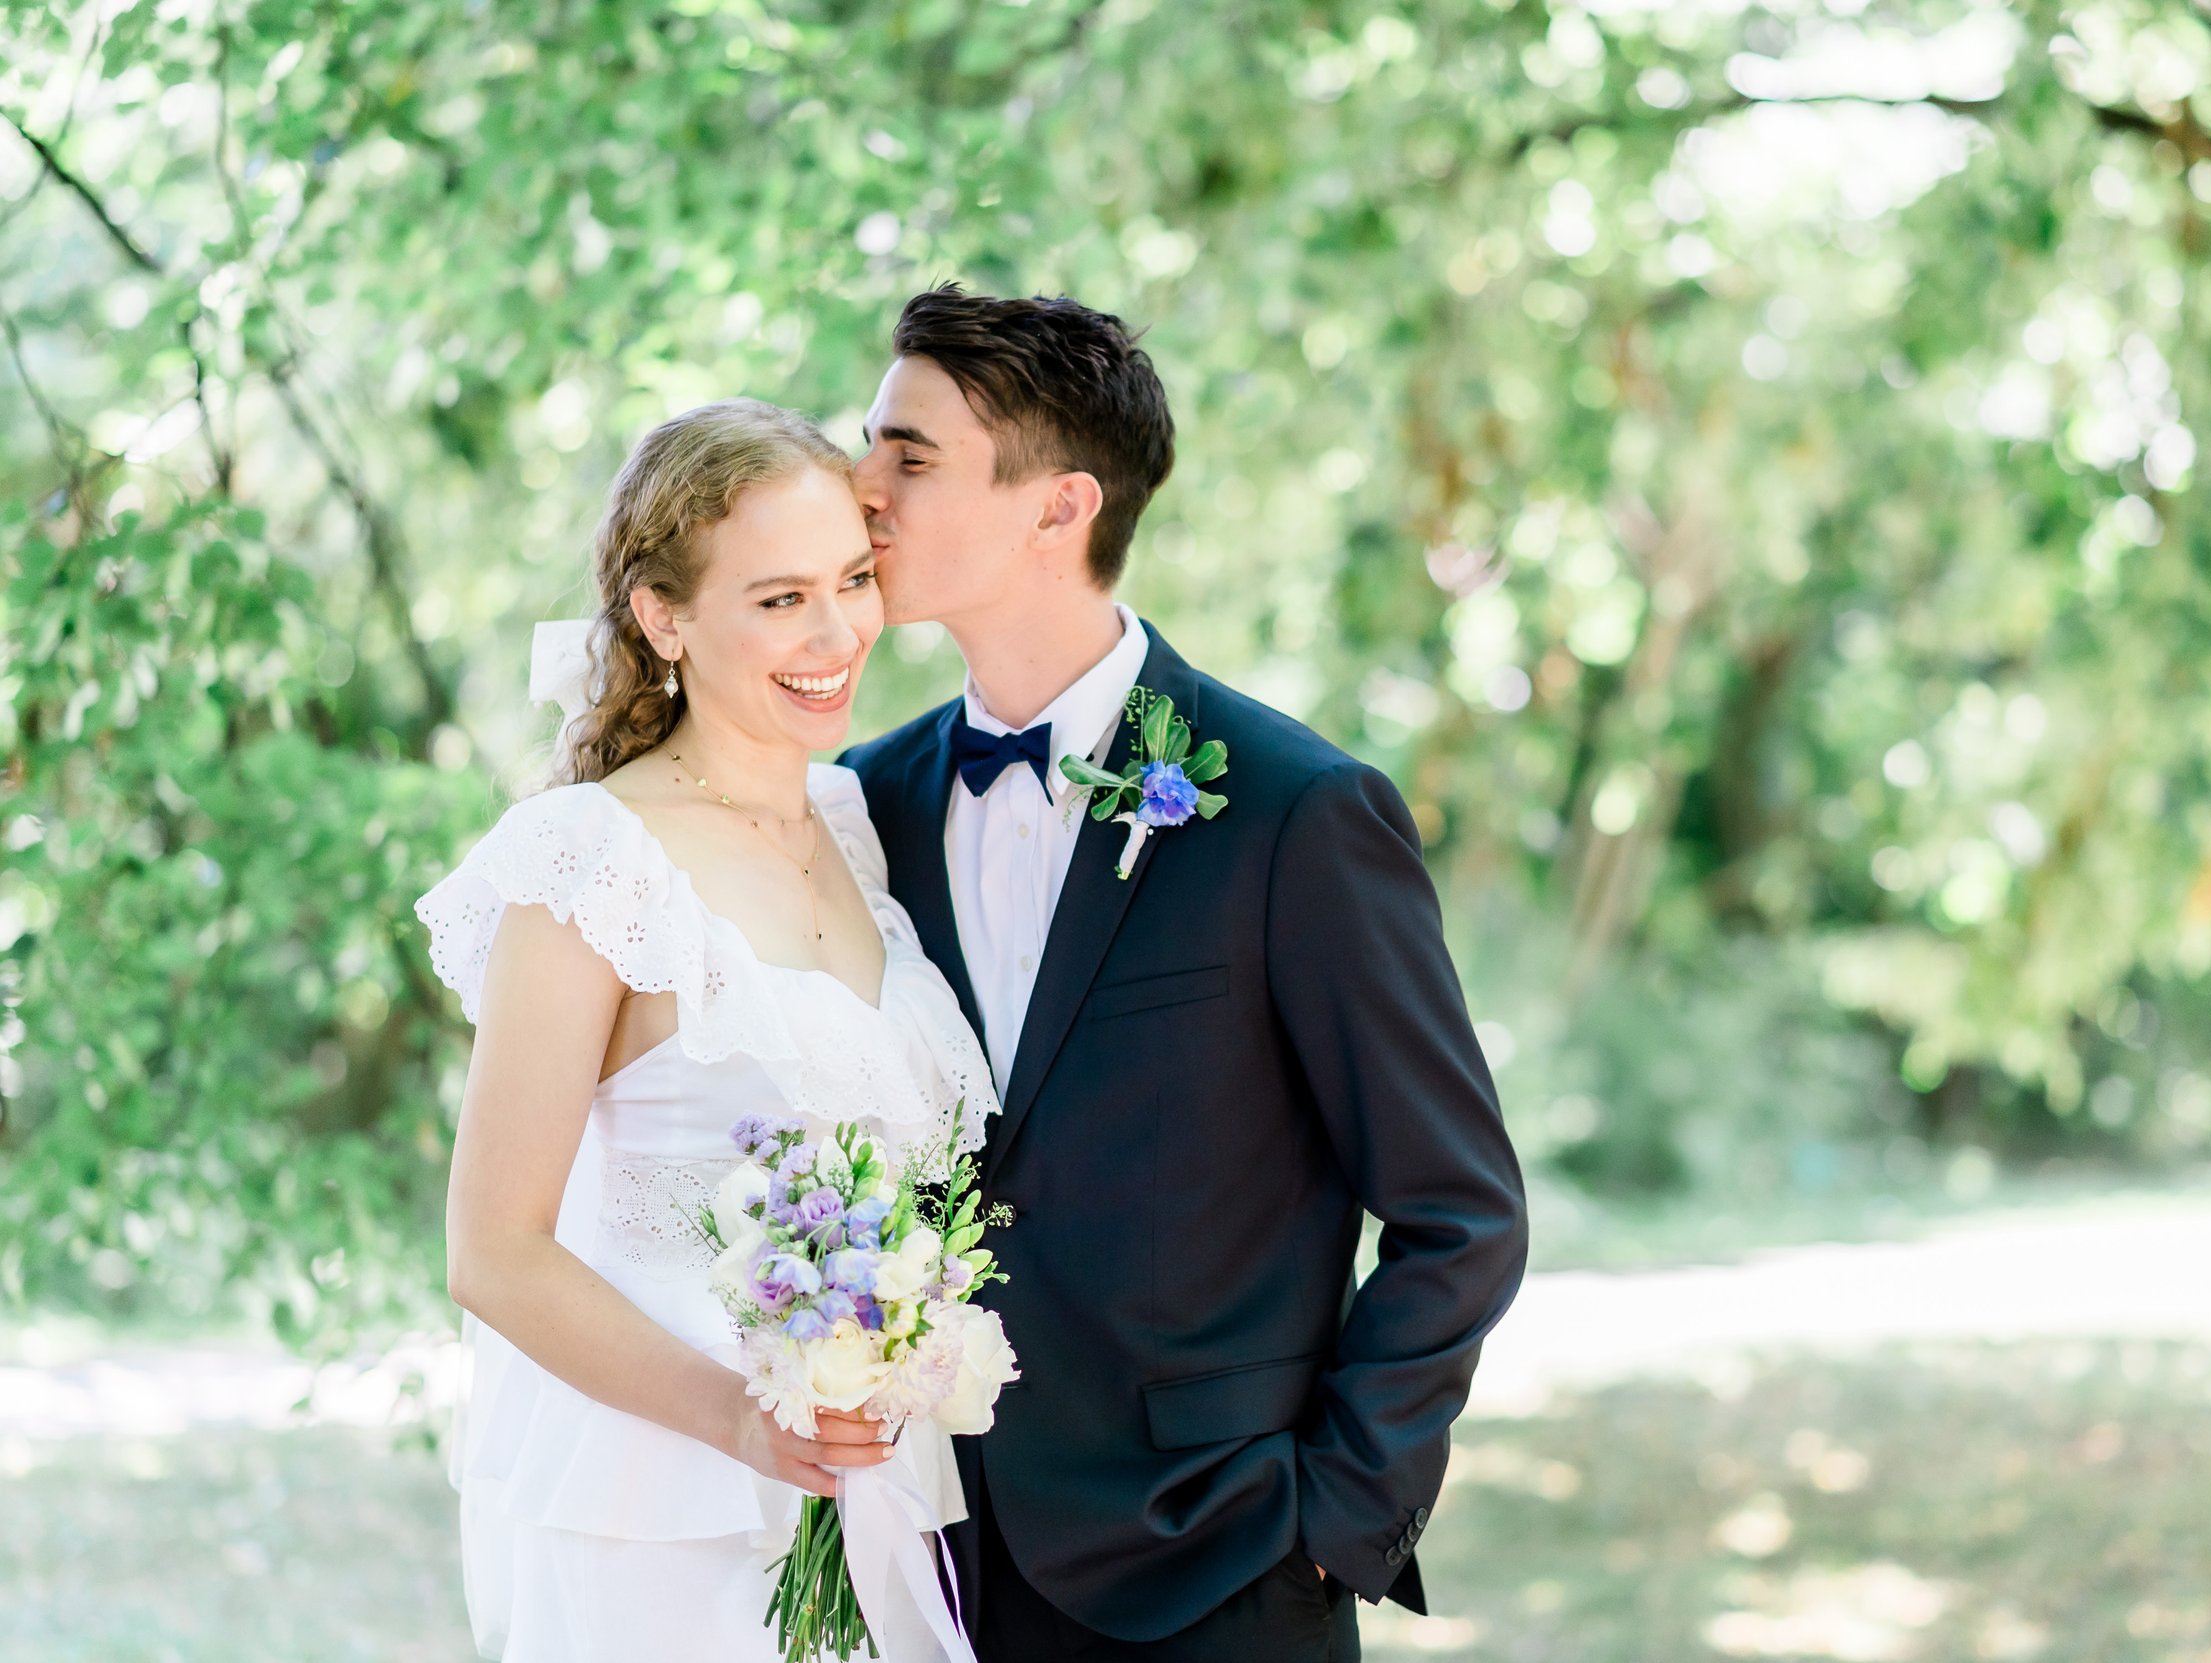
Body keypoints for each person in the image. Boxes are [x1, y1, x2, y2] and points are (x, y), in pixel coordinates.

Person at [843, 286, 1531, 1662]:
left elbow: (1460, 1209)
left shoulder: (1296, 812)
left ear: (1060, 508)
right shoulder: (860, 809)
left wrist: (1333, 1514)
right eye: (867, 443)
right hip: (929, 1563)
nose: (859, 487)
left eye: (908, 456)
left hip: (1218, 1569)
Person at [415, 398, 996, 1660]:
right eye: (779, 599)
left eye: (852, 579)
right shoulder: (587, 860)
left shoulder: (851, 823)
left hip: (865, 1502)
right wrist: (740, 1417)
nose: (838, 632)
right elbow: (493, 1250)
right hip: (657, 1521)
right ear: (662, 616)